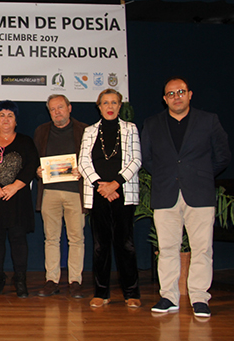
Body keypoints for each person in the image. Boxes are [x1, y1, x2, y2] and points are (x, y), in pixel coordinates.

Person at [142, 77, 231, 318]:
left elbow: (222, 155)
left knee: (202, 248)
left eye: (180, 92)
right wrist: (169, 175)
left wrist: (199, 174)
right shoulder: (152, 124)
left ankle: (200, 297)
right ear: (164, 99)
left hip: (199, 193)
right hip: (165, 193)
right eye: (171, 94)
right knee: (168, 248)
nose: (176, 97)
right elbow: (147, 158)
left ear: (190, 94)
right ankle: (168, 296)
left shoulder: (208, 120)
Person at [78, 89, 141, 308]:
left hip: (123, 192)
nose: (110, 106)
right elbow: (83, 162)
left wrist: (115, 184)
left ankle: (131, 293)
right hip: (98, 194)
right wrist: (101, 186)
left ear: (120, 105)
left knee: (125, 244)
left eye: (114, 102)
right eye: (105, 103)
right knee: (100, 246)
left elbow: (136, 160)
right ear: (99, 106)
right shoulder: (89, 131)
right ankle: (101, 293)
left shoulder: (130, 129)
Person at [0, 100, 39, 298]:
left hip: (18, 199)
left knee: (19, 240)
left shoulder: (25, 141)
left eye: (10, 115)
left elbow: (32, 165)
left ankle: (20, 280)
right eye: (2, 115)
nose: (6, 119)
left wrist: (15, 186)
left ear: (16, 121)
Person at [33, 95, 87, 299]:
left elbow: (91, 159)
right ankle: (51, 280)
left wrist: (85, 170)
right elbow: (35, 158)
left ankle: (75, 281)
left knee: (76, 239)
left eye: (60, 107)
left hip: (76, 192)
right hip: (50, 192)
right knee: (51, 238)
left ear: (69, 108)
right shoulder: (41, 131)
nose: (57, 112)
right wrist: (37, 171)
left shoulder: (84, 130)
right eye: (53, 109)